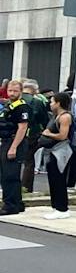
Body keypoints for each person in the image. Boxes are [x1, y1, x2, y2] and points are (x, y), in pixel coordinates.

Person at [36, 92, 75, 219]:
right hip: (52, 151)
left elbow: (63, 136)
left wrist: (48, 134)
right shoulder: (56, 116)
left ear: (58, 103)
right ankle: (56, 207)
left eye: (52, 101)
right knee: (53, 178)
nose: (50, 104)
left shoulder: (64, 117)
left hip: (61, 151)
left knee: (59, 179)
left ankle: (62, 208)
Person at [0, 81, 27, 216]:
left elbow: (22, 128)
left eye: (15, 91)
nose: (12, 93)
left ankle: (10, 205)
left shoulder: (22, 107)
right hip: (6, 141)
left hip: (14, 142)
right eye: (10, 91)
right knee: (8, 175)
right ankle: (17, 203)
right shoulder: (9, 106)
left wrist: (13, 147)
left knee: (9, 175)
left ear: (20, 91)